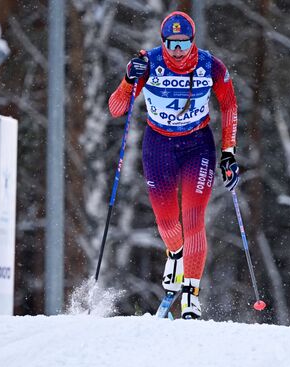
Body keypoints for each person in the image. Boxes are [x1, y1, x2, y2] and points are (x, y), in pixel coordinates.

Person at [108, 11, 240, 319]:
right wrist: (129, 79)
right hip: (159, 147)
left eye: (183, 44)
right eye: (171, 44)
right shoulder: (148, 63)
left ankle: (191, 295)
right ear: (163, 42)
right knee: (168, 223)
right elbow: (116, 109)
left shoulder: (211, 66)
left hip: (198, 147)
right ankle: (176, 255)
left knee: (193, 218)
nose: (177, 51)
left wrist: (229, 153)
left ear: (192, 41)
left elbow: (229, 104)